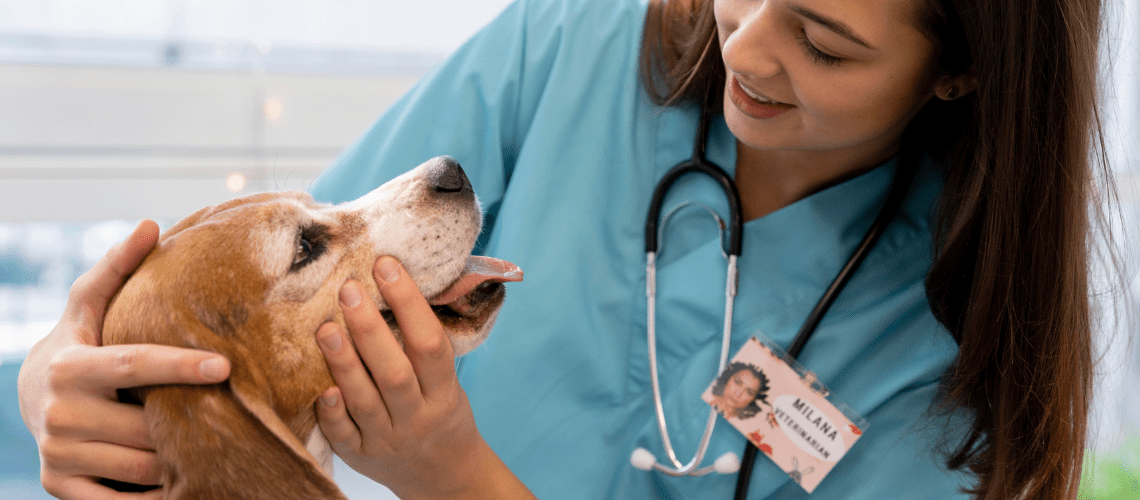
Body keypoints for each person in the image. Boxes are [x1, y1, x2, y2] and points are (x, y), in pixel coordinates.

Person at [17, 0, 1110, 498]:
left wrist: (453, 480)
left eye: (823, 40)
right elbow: (242, 301)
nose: (748, 40)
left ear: (959, 72)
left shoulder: (956, 335)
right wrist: (62, 377)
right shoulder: (572, 41)